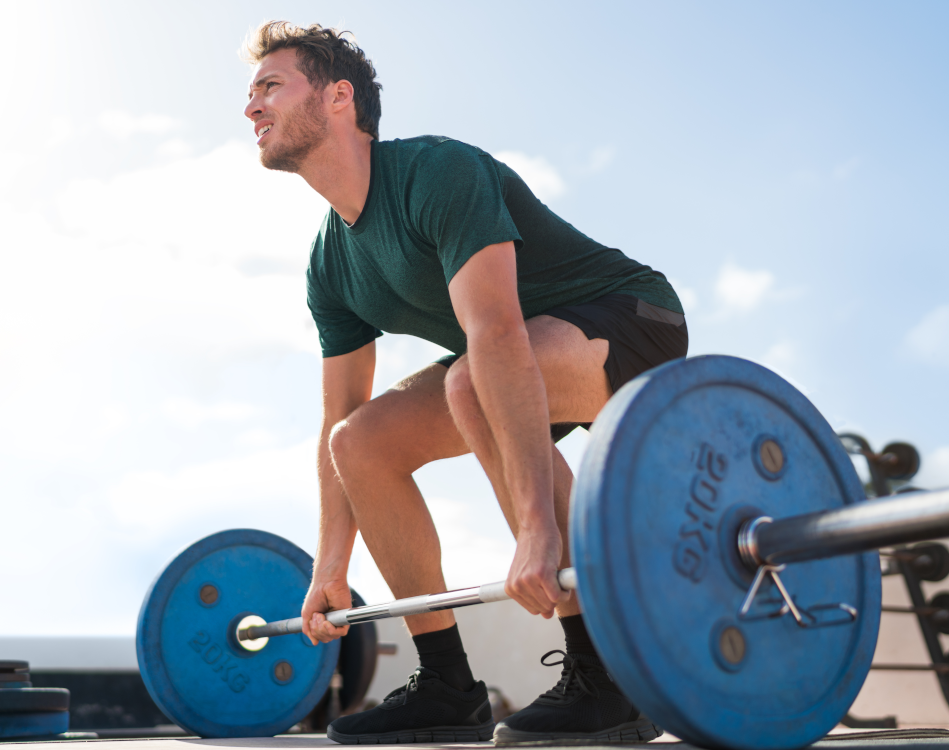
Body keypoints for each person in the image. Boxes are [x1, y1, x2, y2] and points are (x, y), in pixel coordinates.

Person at [241, 21, 687, 746]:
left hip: (636, 323)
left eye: (270, 87)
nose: (251, 108)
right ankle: (448, 685)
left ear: (338, 98)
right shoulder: (330, 263)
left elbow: (498, 333)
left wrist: (538, 527)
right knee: (361, 443)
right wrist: (331, 566)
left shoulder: (436, 172)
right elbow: (337, 416)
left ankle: (607, 679)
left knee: (473, 382)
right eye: (250, 94)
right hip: (508, 364)